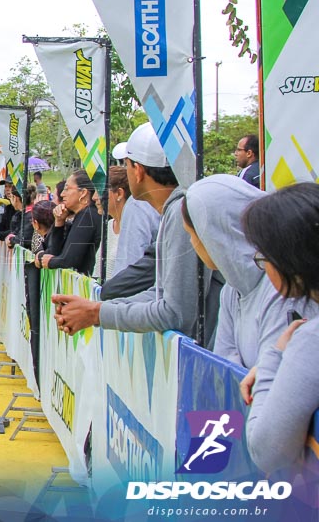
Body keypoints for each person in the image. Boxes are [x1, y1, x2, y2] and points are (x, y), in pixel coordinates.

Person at [51, 123, 222, 346]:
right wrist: (96, 308)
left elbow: (176, 313)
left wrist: (96, 313)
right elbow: (159, 293)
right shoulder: (176, 209)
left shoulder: (182, 212)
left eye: (127, 165)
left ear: (138, 171)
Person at [182, 175, 311, 369]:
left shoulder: (283, 287)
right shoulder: (232, 289)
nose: (192, 243)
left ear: (212, 233)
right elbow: (224, 360)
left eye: (192, 234)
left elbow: (269, 377)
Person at [240, 183, 319, 475]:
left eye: (263, 257)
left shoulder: (311, 340)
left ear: (290, 260)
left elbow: (267, 451)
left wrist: (273, 359)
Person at [35, 169, 101, 276]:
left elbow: (69, 260)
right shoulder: (82, 215)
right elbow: (54, 252)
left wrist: (50, 262)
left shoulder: (87, 216)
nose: (62, 194)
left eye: (67, 189)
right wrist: (59, 222)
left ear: (83, 193)